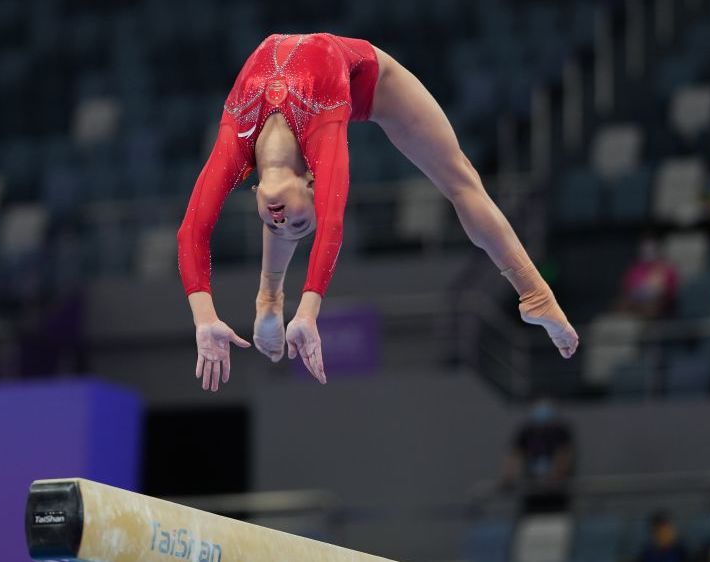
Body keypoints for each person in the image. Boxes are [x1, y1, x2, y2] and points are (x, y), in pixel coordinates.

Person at [176, 33, 579, 391]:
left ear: (310, 182)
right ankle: (269, 299)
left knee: (460, 179)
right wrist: (204, 318)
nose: (282, 222)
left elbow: (322, 223)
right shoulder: (313, 139)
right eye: (295, 225)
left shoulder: (241, 136)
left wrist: (304, 310)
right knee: (460, 178)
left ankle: (534, 293)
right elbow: (195, 232)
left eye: (283, 225)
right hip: (335, 90)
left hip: (371, 84)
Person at [501, 398, 575, 513]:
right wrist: (509, 477)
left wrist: (557, 474)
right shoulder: (526, 432)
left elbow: (565, 454)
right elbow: (514, 456)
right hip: (532, 489)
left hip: (557, 493)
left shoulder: (561, 431)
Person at [617, 235, 679, 320]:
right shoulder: (635, 269)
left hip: (658, 303)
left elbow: (670, 290)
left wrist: (658, 292)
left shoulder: (667, 269)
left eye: (651, 250)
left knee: (651, 307)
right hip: (635, 300)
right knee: (620, 304)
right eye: (645, 250)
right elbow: (627, 287)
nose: (648, 253)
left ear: (658, 250)